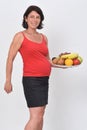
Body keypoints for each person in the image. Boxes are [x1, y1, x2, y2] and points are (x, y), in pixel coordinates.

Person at [4, 5, 66, 130]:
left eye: (38, 17)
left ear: (40, 20)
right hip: (32, 80)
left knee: (41, 115)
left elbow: (47, 60)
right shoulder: (20, 36)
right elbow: (10, 58)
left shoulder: (43, 38)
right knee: (35, 116)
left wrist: (60, 65)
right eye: (32, 16)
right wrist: (8, 80)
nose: (35, 19)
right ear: (26, 18)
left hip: (44, 80)